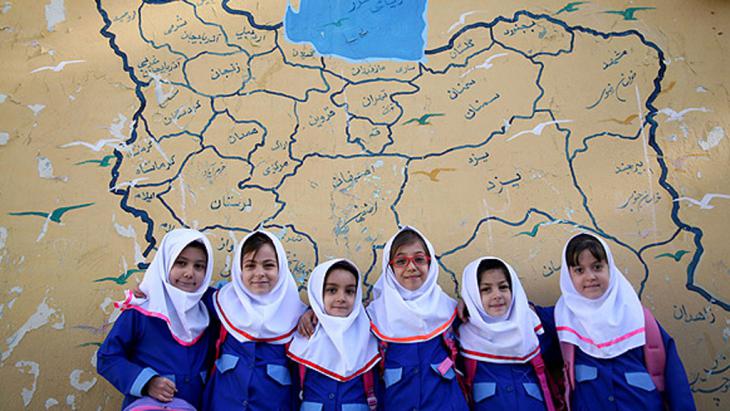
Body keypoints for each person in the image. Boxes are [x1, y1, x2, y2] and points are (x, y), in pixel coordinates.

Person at [555, 232, 695, 410]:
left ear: (610, 268)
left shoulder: (637, 317)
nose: (590, 277)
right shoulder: (561, 320)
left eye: (597, 267)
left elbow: (675, 381)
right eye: (579, 270)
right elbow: (521, 328)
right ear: (568, 275)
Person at [97, 228, 215, 410]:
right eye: (181, 263)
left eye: (199, 266)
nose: (189, 273)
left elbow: (238, 298)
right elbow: (108, 358)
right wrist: (147, 382)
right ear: (164, 264)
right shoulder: (141, 310)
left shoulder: (209, 308)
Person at [366, 226, 468, 410]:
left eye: (419, 259)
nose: (411, 267)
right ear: (389, 268)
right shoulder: (373, 317)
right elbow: (338, 324)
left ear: (430, 264)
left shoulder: (452, 310)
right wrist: (312, 313)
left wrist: (471, 303)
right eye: (401, 261)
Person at [204, 230, 306, 410]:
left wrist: (312, 313)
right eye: (250, 266)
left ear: (281, 269)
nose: (259, 273)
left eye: (268, 265)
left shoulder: (299, 319)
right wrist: (146, 292)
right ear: (239, 270)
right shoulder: (221, 305)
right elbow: (182, 297)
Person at [459, 257, 558, 410]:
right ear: (473, 295)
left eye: (503, 287)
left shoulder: (532, 328)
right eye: (486, 289)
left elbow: (575, 313)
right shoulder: (462, 337)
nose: (497, 295)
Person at [288, 259, 381, 410]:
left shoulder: (369, 334)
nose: (341, 298)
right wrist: (311, 310)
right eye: (332, 290)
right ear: (318, 293)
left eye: (350, 291)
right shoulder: (305, 333)